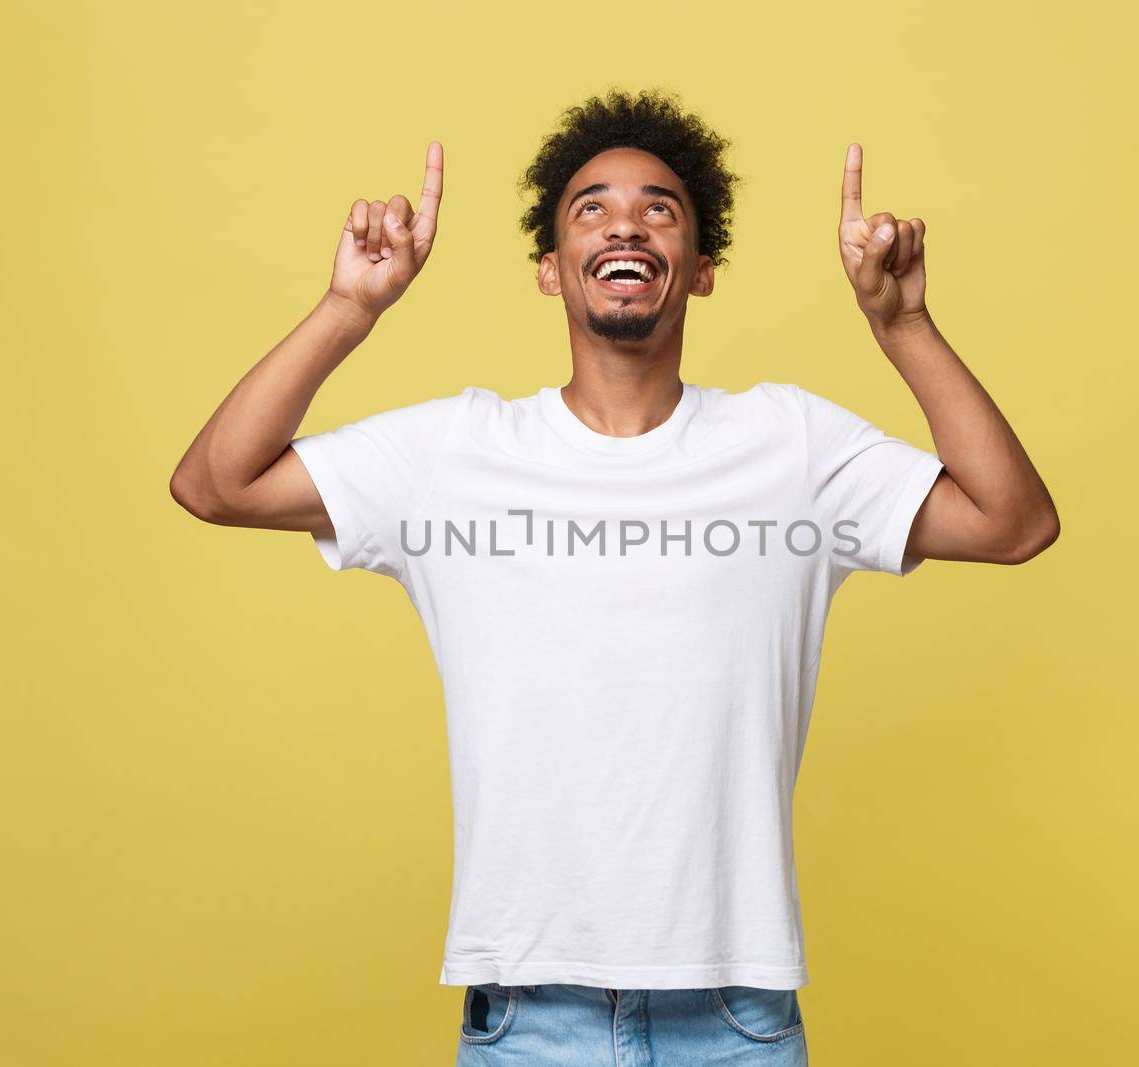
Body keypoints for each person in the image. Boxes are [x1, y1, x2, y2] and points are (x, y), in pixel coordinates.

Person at [169, 88, 1059, 1065]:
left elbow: (1013, 522)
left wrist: (905, 327)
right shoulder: (458, 452)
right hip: (525, 1015)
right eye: (589, 206)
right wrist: (348, 307)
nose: (624, 221)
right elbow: (216, 483)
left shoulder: (791, 446)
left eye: (659, 207)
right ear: (551, 270)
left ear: (701, 268)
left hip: (736, 1018)